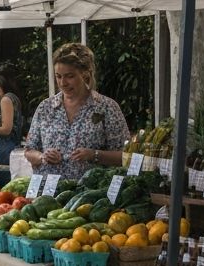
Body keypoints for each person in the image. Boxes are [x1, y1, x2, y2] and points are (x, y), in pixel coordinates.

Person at [23, 42, 129, 180]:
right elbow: (29, 150)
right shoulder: (46, 107)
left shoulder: (106, 108)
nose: (63, 83)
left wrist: (94, 155)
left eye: (69, 76)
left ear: (85, 74)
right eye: (58, 76)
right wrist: (42, 156)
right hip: (46, 193)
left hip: (89, 194)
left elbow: (126, 156)